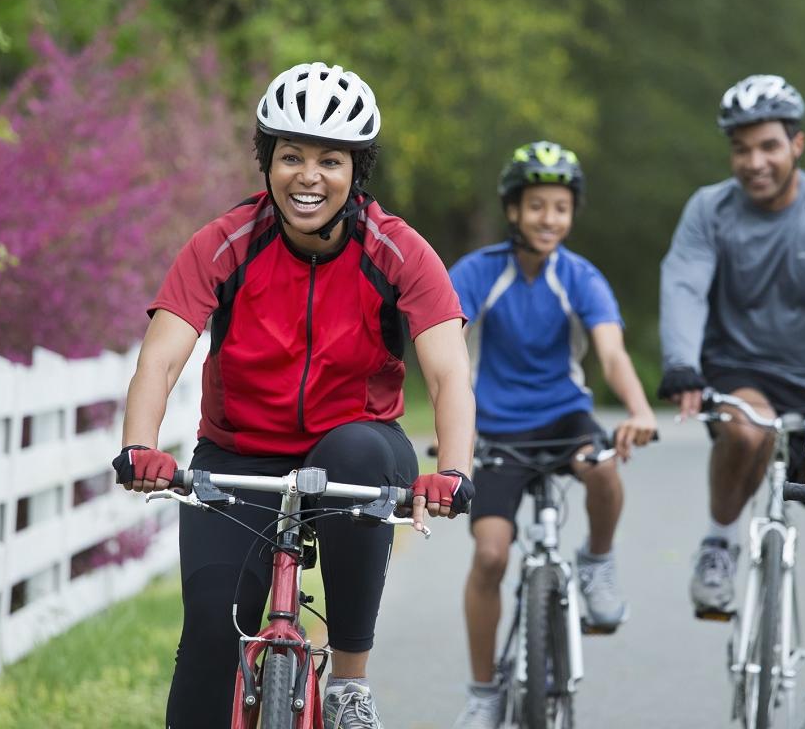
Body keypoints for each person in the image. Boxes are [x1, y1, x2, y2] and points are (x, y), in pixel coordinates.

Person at [110, 61, 476, 729]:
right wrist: (139, 446)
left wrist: (452, 471)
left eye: (330, 160)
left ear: (356, 170)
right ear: (267, 161)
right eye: (291, 156)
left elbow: (450, 371)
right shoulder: (224, 242)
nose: (309, 176)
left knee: (357, 455)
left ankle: (349, 687)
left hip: (359, 447)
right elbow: (161, 359)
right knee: (212, 639)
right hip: (237, 457)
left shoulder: (398, 251)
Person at [657, 74, 805, 728]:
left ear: (797, 143)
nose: (755, 162)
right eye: (742, 149)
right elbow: (683, 283)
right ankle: (720, 539)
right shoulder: (710, 210)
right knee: (743, 429)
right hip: (744, 372)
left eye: (768, 145)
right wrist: (681, 360)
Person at [449, 141, 658, 728]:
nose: (549, 219)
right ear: (514, 210)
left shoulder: (581, 277)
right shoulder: (476, 273)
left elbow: (612, 354)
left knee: (605, 469)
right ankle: (484, 691)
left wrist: (638, 409)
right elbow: (450, 353)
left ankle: (596, 559)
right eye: (537, 206)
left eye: (560, 207)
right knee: (490, 555)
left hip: (565, 417)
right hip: (494, 426)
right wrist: (456, 426)